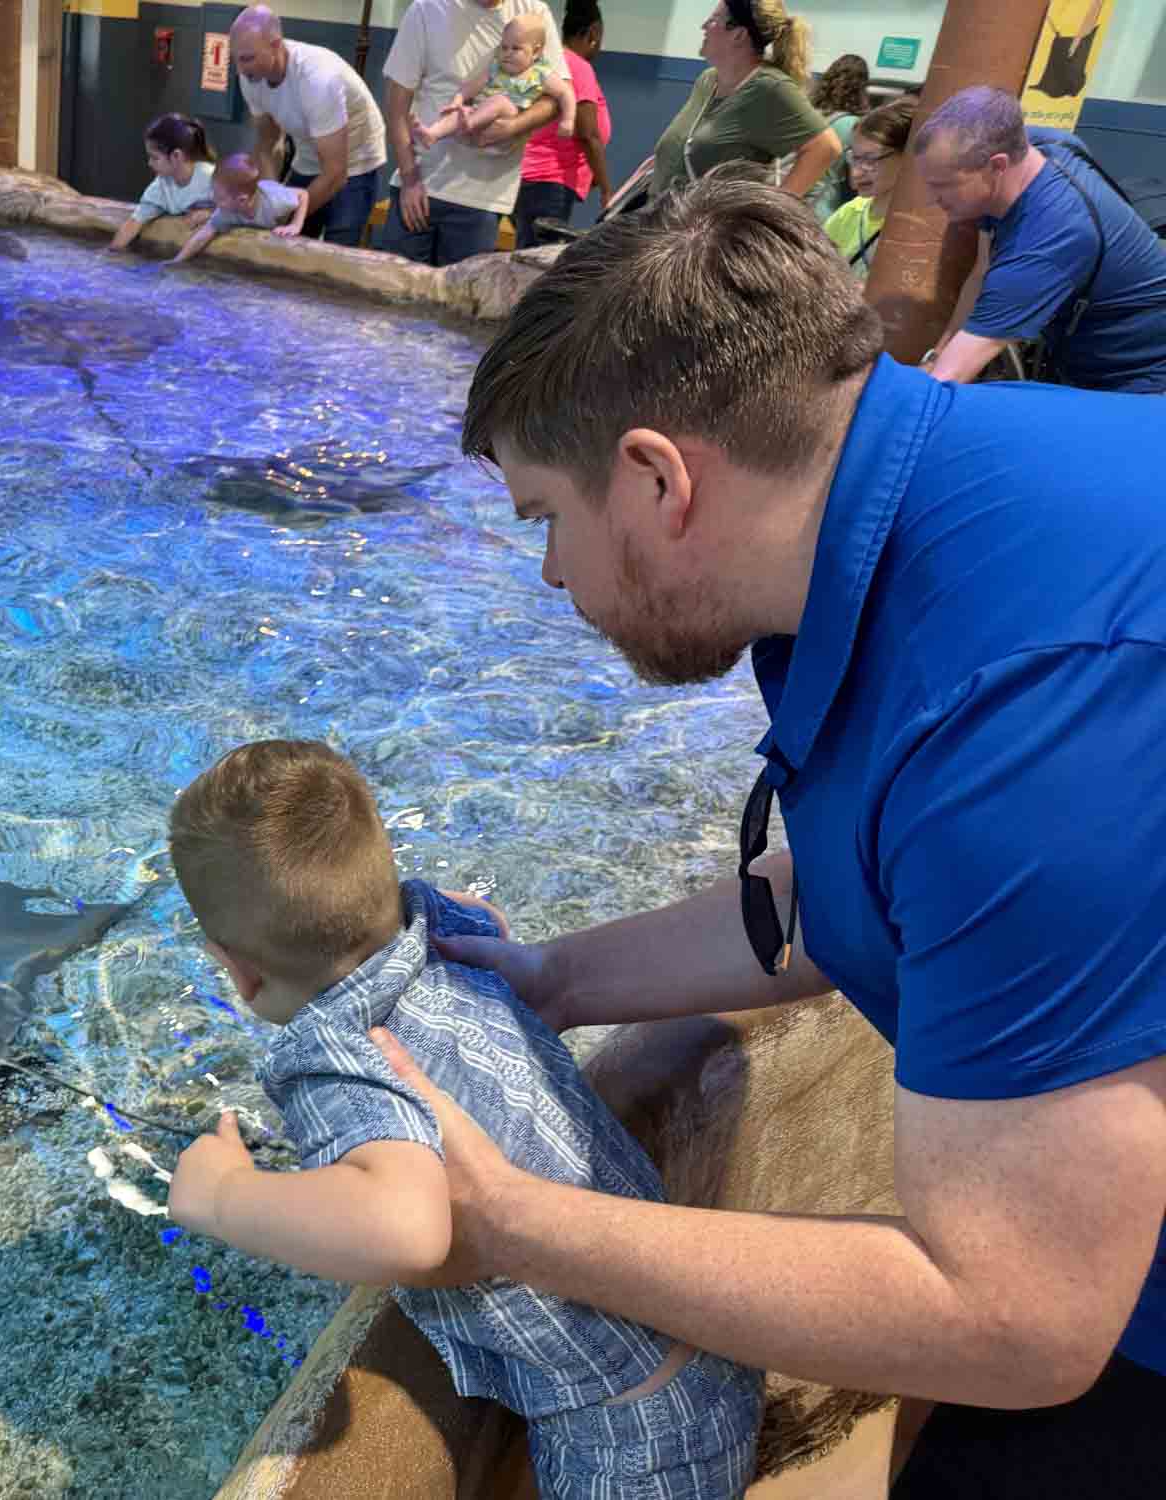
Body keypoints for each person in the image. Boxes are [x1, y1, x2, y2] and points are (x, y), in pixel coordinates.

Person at [374, 172, 1166, 1500]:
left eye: (544, 524)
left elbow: (1017, 1322)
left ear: (655, 478)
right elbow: (872, 884)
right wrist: (556, 981)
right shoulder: (911, 505)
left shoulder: (1021, 719)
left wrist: (508, 1222)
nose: (553, 577)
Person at [166, 739, 764, 1500]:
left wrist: (224, 1195)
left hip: (626, 1437)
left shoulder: (337, 1057)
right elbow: (488, 917)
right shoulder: (437, 929)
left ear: (239, 970)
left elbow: (407, 1231)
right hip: (709, 1334)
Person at [914, 85, 1166, 393]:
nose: (930, 199)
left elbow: (946, 382)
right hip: (1079, 356)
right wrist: (935, 356)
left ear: (997, 166)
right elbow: (982, 271)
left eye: (943, 185)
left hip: (1139, 377)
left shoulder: (1050, 238)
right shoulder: (1036, 145)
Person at [381, 0, 569, 267]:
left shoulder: (533, 14)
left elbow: (557, 96)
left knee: (458, 303)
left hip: (482, 197)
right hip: (421, 184)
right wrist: (410, 178)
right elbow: (396, 106)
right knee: (394, 294)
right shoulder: (427, 9)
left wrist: (514, 126)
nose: (508, 52)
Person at [618, 1, 839, 213]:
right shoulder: (708, 80)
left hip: (699, 234)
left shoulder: (769, 87)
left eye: (713, 20)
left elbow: (826, 147)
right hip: (658, 216)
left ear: (739, 34)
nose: (703, 26)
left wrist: (770, 213)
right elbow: (679, 147)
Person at [230, 6, 389, 248]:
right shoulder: (250, 78)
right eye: (237, 58)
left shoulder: (318, 79)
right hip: (308, 154)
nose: (240, 69)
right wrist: (272, 199)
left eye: (247, 58)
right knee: (284, 244)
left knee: (337, 252)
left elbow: (336, 173)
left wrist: (291, 215)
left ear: (275, 45)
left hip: (355, 161)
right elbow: (268, 143)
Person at [515, 0, 613, 250]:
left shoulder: (550, 61)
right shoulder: (578, 67)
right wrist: (606, 188)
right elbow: (588, 134)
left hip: (529, 180)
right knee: (534, 264)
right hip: (548, 183)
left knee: (528, 255)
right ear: (593, 33)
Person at [411, 15, 577, 152]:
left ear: (536, 51)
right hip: (481, 120)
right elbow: (471, 86)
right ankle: (432, 134)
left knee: (500, 101)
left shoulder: (540, 73)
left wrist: (568, 120)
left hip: (509, 121)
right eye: (504, 48)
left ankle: (469, 124)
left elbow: (566, 93)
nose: (507, 54)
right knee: (458, 114)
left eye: (516, 48)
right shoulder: (496, 68)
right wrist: (458, 100)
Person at [823, 95, 915, 278]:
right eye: (855, 158)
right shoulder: (849, 213)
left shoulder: (920, 225)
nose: (857, 172)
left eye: (871, 160)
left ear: (907, 156)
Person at [169, 153, 309, 264]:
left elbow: (303, 194)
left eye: (220, 197)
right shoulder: (226, 210)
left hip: (272, 191)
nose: (214, 199)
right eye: (214, 193)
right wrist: (177, 261)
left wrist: (295, 225)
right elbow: (203, 235)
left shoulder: (275, 202)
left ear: (241, 200)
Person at [106, 114, 216, 255]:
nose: (149, 163)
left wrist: (210, 214)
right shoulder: (161, 185)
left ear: (176, 156)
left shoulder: (210, 178)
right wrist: (111, 253)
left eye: (154, 157)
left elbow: (242, 207)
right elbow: (134, 223)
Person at [802, 52, 870, 222]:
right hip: (821, 210)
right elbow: (855, 179)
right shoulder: (853, 125)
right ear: (861, 88)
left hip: (791, 199)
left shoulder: (806, 115)